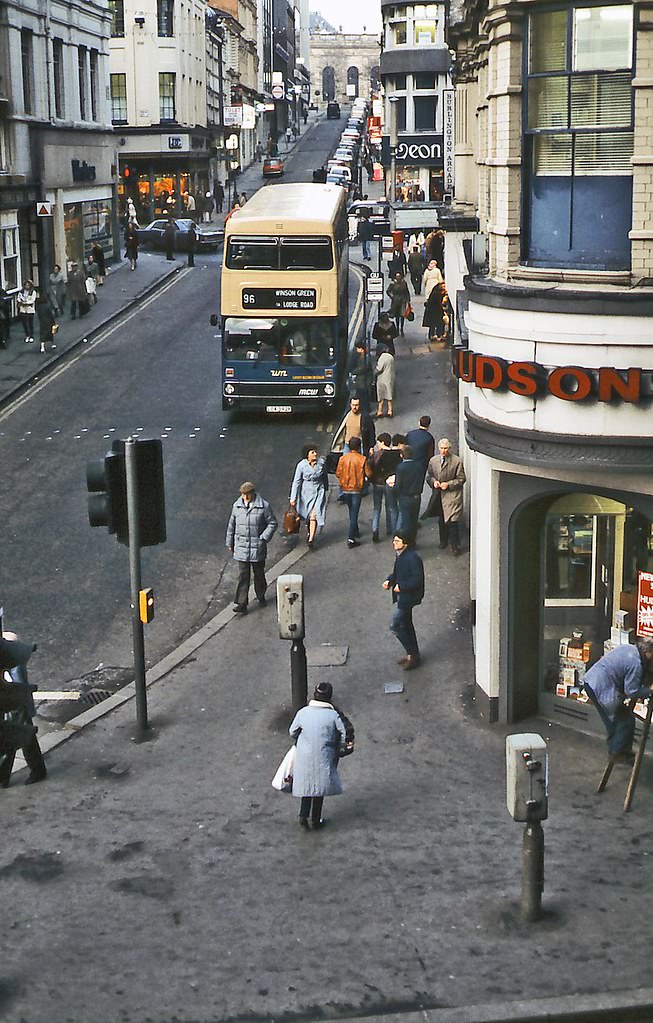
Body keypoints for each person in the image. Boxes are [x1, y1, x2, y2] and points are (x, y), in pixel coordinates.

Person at [289, 681, 348, 829]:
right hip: (324, 754)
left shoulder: (303, 713)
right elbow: (344, 732)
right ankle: (316, 819)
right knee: (319, 789)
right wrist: (338, 745)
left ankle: (303, 816)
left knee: (307, 787)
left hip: (305, 755)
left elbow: (292, 731)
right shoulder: (333, 715)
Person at [583, 640, 653, 760]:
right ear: (648, 652)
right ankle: (618, 752)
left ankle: (618, 750)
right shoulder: (636, 663)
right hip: (602, 686)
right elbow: (632, 692)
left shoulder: (630, 649)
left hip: (592, 681)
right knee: (624, 720)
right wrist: (650, 690)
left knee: (614, 721)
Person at [0, 631, 47, 786]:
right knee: (16, 729)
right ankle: (34, 770)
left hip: (10, 685)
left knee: (18, 727)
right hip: (10, 681)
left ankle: (34, 770)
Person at [225, 481, 277, 614]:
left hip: (257, 547)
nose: (245, 497)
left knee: (258, 574)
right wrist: (229, 542)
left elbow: (272, 523)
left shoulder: (264, 506)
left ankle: (261, 595)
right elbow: (232, 524)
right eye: (243, 494)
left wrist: (264, 537)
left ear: (253, 493)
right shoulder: (237, 506)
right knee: (243, 575)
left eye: (247, 494)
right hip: (241, 546)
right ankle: (242, 603)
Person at [383, 532, 424, 671]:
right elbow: (397, 573)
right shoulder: (400, 556)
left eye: (397, 541)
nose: (394, 543)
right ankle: (412, 655)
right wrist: (390, 580)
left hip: (408, 597)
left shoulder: (412, 558)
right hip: (404, 596)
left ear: (404, 543)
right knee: (406, 624)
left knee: (395, 625)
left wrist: (402, 586)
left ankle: (412, 653)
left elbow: (417, 580)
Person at [425, 438, 466, 555]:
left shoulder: (456, 461)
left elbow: (461, 478)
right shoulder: (433, 461)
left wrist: (448, 484)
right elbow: (429, 476)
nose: (443, 451)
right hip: (438, 494)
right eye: (442, 448)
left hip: (452, 495)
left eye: (446, 448)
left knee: (452, 521)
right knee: (441, 519)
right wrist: (434, 482)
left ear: (449, 448)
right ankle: (443, 540)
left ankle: (454, 545)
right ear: (439, 448)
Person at [289, 445, 328, 550]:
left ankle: (311, 539)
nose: (315, 454)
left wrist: (326, 488)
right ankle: (309, 530)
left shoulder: (321, 463)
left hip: (319, 491)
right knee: (307, 515)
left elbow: (325, 476)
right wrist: (293, 498)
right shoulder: (301, 466)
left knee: (314, 515)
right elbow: (296, 482)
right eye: (312, 452)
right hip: (306, 492)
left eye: (315, 452)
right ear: (307, 455)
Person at [335, 436, 369, 548]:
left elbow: (338, 473)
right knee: (354, 513)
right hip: (356, 489)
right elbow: (369, 473)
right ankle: (351, 538)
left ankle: (356, 531)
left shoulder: (343, 459)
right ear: (359, 447)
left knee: (351, 511)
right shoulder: (362, 459)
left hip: (345, 488)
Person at [367, 433, 402, 543]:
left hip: (377, 484)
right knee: (391, 507)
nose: (377, 445)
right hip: (389, 484)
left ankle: (375, 530)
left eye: (378, 443)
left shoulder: (376, 455)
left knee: (377, 508)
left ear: (382, 442)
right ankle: (392, 530)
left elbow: (369, 469)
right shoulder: (396, 455)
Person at [394, 444, 423, 543]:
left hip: (405, 497)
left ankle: (408, 543)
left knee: (406, 522)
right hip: (416, 496)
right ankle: (413, 541)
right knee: (414, 521)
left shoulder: (400, 467)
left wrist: (398, 496)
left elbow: (398, 484)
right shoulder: (419, 466)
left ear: (401, 455)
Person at [405, 415, 436, 486]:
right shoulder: (429, 438)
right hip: (421, 465)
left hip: (409, 462)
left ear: (419, 423)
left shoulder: (410, 434)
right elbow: (430, 455)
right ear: (429, 425)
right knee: (418, 484)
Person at [348, 339, 373, 411]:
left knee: (363, 395)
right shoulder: (363, 356)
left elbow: (363, 368)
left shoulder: (365, 357)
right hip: (362, 380)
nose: (356, 350)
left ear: (362, 349)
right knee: (363, 395)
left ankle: (366, 409)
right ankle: (366, 408)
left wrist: (354, 371)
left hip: (363, 380)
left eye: (357, 348)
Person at [374, 343, 395, 420]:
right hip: (390, 378)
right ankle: (390, 411)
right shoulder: (391, 356)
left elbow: (379, 369)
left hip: (382, 379)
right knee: (389, 395)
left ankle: (380, 411)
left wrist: (374, 372)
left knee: (381, 395)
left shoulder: (382, 358)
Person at [386, 272, 411, 336]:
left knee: (402, 315)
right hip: (395, 301)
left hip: (403, 301)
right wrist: (392, 297)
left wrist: (408, 299)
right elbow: (388, 291)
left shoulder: (404, 283)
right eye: (397, 276)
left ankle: (401, 328)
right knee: (397, 315)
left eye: (399, 276)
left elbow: (406, 291)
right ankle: (397, 328)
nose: (398, 277)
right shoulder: (393, 284)